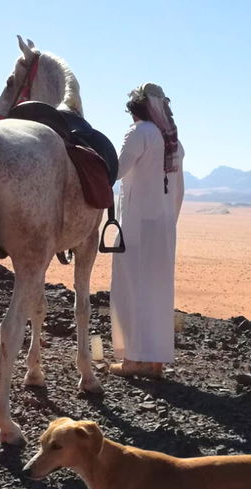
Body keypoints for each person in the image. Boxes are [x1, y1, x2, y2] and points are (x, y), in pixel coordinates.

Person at [107, 83, 185, 378]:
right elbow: (179, 191)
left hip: (137, 228)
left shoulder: (140, 133)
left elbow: (116, 171)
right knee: (157, 292)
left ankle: (133, 360)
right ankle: (155, 361)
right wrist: (168, 224)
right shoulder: (174, 142)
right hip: (164, 228)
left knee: (132, 289)